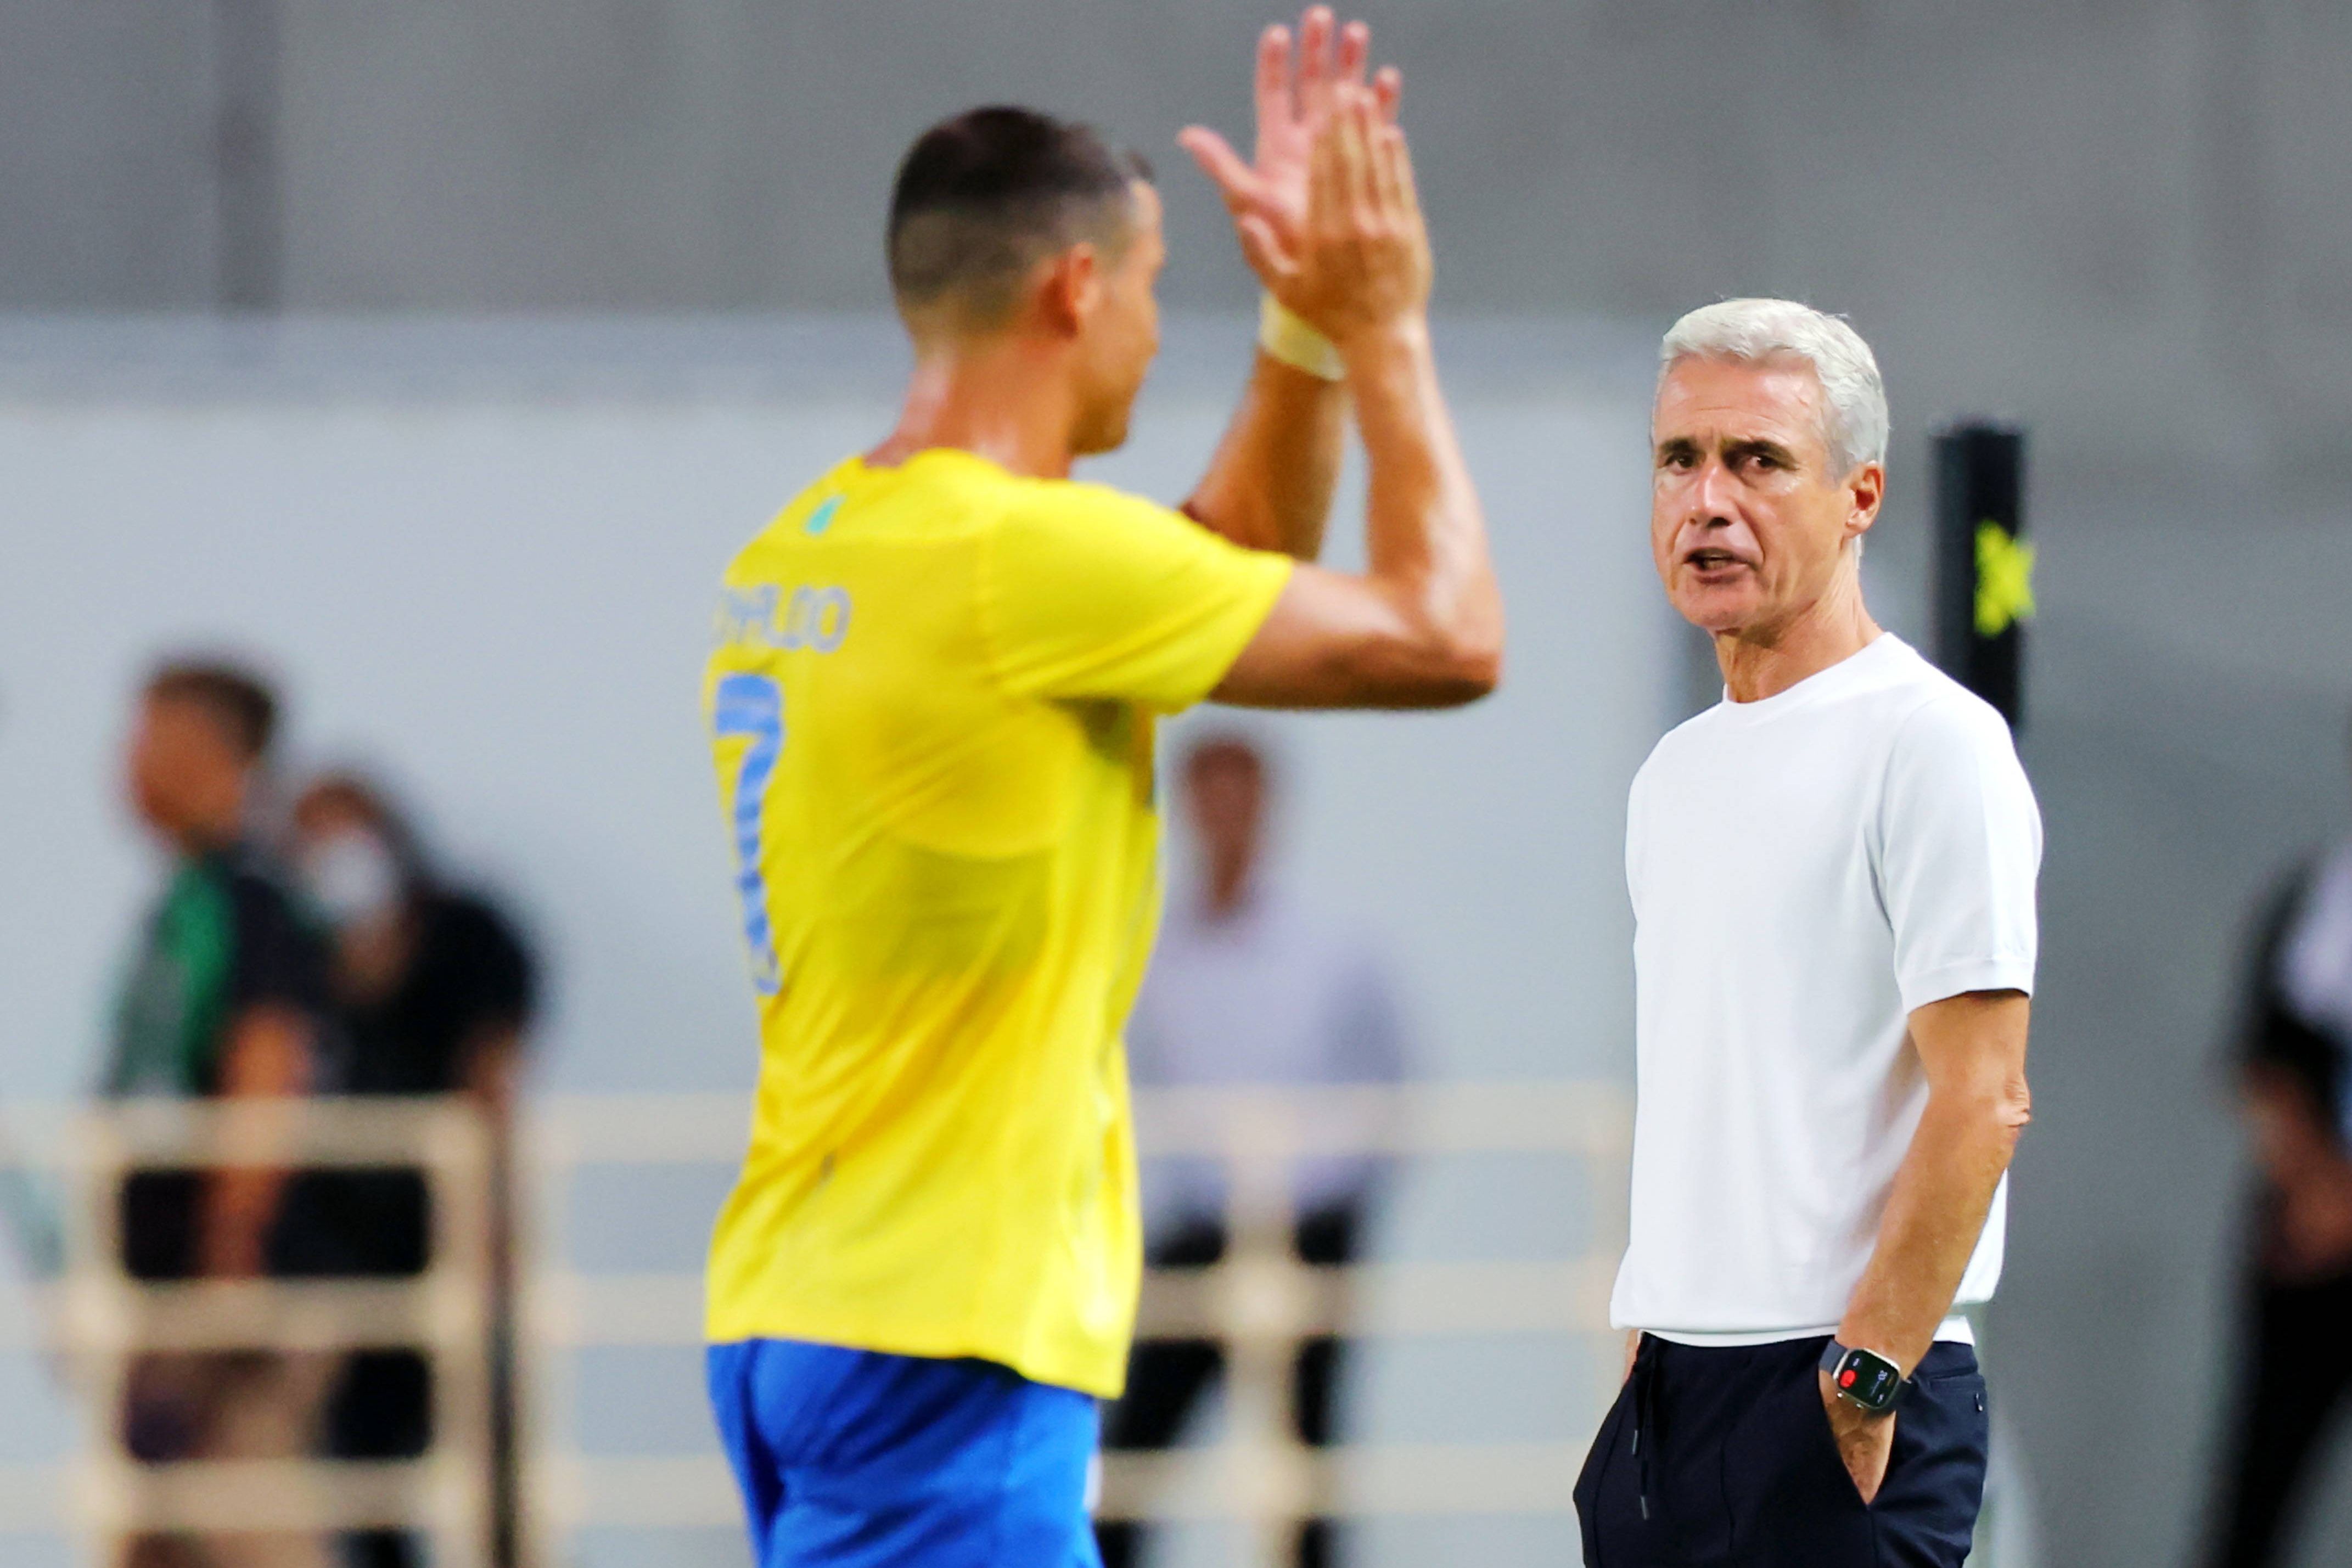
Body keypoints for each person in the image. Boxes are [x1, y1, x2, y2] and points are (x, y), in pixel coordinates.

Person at [698, 8, 1503, 1565]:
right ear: (1075, 289)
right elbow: (1447, 635)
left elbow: (1207, 574)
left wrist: (1298, 330)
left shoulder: (809, 549)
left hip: (802, 1303)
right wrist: (1385, 320)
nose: (1149, 327)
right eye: (1149, 288)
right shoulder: (1017, 564)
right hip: (951, 1333)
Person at [1574, 299, 2042, 1567]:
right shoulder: (1672, 775)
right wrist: (1649, 1359)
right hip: (1673, 1401)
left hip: (1841, 1394)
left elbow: (1984, 1096)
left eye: (1758, 461)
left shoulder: (1930, 742)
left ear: (1860, 496)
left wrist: (1867, 1377)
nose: (1707, 501)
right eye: (1679, 459)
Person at [1099, 732, 1407, 1568]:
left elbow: (1391, 1079)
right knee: (1127, 1457)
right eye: (1208, 795)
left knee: (1305, 1464)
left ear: (1267, 805)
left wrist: (1324, 1187)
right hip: (1200, 1224)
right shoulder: (1156, 950)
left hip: (1311, 1224)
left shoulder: (1334, 944)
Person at [104, 660, 331, 1568]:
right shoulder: (190, 899)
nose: (124, 764)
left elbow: (267, 1060)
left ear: (205, 752)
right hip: (170, 1286)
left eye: (144, 737)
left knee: (250, 1532)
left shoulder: (247, 899)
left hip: (226, 1293)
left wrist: (231, 1250)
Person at [283, 774, 539, 1568]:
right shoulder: (295, 950)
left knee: (491, 1470)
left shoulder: (470, 933)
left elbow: (492, 1079)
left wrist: (494, 1226)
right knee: (363, 1478)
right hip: (348, 1261)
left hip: (450, 1234)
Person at [2199, 746, 2352, 1568]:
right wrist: (2319, 1189)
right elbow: (2261, 1064)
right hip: (2308, 1255)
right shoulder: (2321, 900)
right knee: (2257, 1499)